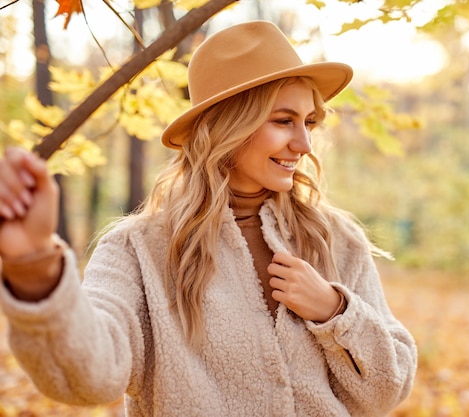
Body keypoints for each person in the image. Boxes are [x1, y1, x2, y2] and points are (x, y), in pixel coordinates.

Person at [0, 21, 417, 416]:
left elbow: (386, 390)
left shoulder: (336, 240)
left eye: (309, 122)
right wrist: (33, 264)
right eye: (284, 121)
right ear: (229, 126)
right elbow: (89, 378)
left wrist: (334, 310)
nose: (304, 143)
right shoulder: (139, 250)